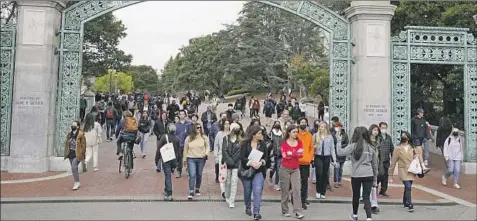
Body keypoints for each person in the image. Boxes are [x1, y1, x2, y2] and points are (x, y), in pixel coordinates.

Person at [336, 127, 378, 221]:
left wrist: (339, 141)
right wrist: (375, 177)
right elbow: (375, 164)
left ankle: (354, 215)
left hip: (356, 174)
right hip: (368, 174)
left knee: (356, 195)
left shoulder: (353, 146)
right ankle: (369, 217)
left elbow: (340, 153)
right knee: (367, 197)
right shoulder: (371, 147)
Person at [389, 131, 427, 213]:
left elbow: (419, 156)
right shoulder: (397, 148)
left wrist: (422, 165)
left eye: (405, 136)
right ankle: (410, 204)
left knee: (408, 187)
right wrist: (390, 175)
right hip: (402, 170)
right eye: (402, 136)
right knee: (408, 186)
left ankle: (405, 201)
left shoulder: (412, 147)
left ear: (408, 138)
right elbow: (393, 162)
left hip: (411, 169)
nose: (403, 137)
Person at [240, 125, 269, 220]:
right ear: (253, 135)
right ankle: (248, 206)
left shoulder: (263, 144)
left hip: (259, 170)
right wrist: (250, 162)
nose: (261, 135)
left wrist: (261, 162)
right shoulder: (245, 144)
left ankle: (256, 212)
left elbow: (266, 157)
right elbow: (242, 157)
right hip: (247, 171)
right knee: (247, 191)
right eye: (259, 133)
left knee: (257, 190)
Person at [279, 125, 305, 219]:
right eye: (294, 132)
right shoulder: (283, 143)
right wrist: (295, 153)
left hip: (295, 169)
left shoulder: (299, 142)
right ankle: (285, 210)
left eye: (296, 132)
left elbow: (301, 154)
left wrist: (292, 153)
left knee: (297, 190)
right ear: (289, 132)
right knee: (285, 190)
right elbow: (285, 155)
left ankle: (298, 211)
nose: (295, 134)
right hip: (285, 168)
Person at [183, 122, 210, 199]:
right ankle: (191, 190)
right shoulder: (188, 138)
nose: (199, 129)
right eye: (197, 128)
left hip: (201, 158)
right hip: (191, 158)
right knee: (192, 174)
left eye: (200, 127)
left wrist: (206, 153)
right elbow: (185, 149)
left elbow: (208, 146)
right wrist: (184, 159)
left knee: (199, 174)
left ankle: (197, 188)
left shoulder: (204, 137)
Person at [156, 124, 179, 201]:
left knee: (167, 175)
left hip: (166, 159)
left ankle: (169, 193)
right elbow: (178, 151)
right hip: (174, 159)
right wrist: (177, 162)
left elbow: (159, 148)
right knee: (168, 175)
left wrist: (156, 159)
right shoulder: (176, 138)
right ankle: (166, 190)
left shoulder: (164, 137)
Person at [222, 122, 243, 208]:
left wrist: (234, 162)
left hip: (236, 164)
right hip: (228, 163)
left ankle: (232, 200)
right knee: (228, 182)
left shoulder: (240, 140)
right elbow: (224, 151)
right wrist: (229, 161)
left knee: (234, 181)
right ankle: (227, 195)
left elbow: (240, 153)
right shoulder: (226, 139)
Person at [313, 121, 336, 199]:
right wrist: (314, 147)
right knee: (319, 173)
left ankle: (323, 192)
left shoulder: (330, 137)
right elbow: (311, 146)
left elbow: (332, 148)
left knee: (325, 174)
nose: (321, 128)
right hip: (318, 156)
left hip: (326, 156)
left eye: (323, 126)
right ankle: (318, 191)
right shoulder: (315, 135)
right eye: (320, 126)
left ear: (326, 127)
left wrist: (334, 160)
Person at [63, 120, 86, 190]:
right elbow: (67, 144)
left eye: (74, 125)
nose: (72, 126)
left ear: (78, 126)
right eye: (72, 125)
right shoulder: (69, 134)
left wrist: (82, 153)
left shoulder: (81, 134)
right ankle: (77, 181)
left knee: (73, 167)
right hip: (70, 154)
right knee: (74, 169)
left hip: (77, 154)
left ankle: (76, 182)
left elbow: (84, 145)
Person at [296, 118, 314, 209]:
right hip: (296, 162)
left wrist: (310, 158)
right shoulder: (295, 134)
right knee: (295, 182)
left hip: (306, 163)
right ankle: (295, 199)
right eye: (302, 122)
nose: (303, 124)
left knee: (304, 182)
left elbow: (311, 148)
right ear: (299, 124)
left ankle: (303, 200)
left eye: (305, 122)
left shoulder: (309, 135)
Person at [377, 122, 394, 197]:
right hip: (378, 160)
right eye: (382, 127)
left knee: (385, 176)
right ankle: (375, 185)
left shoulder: (388, 137)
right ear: (379, 128)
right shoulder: (377, 137)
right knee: (380, 175)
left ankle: (383, 190)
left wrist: (393, 157)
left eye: (385, 128)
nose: (383, 129)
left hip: (386, 160)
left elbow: (392, 148)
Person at [331, 121, 349, 188]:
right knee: (337, 167)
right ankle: (335, 181)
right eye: (336, 126)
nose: (337, 128)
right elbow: (332, 143)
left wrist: (341, 145)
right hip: (335, 154)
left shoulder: (344, 134)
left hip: (342, 153)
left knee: (341, 169)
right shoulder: (333, 134)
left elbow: (347, 142)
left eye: (338, 126)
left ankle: (339, 181)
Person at [175, 110, 191, 178]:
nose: (181, 115)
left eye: (183, 114)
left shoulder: (189, 124)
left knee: (188, 157)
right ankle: (179, 171)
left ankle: (188, 170)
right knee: (179, 158)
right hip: (179, 144)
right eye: (180, 114)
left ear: (185, 115)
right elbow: (175, 135)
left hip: (187, 144)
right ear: (179, 115)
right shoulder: (176, 125)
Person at [214, 119, 230, 187]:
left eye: (228, 124)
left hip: (230, 155)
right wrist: (216, 154)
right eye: (225, 124)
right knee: (222, 170)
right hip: (221, 154)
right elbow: (216, 144)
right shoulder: (219, 133)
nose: (227, 125)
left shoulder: (231, 133)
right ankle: (222, 187)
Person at [269, 120, 283, 191]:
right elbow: (269, 142)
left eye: (278, 124)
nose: (277, 125)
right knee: (273, 168)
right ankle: (270, 177)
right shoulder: (271, 133)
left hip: (280, 154)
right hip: (273, 154)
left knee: (278, 169)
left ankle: (276, 184)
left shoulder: (282, 134)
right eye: (276, 124)